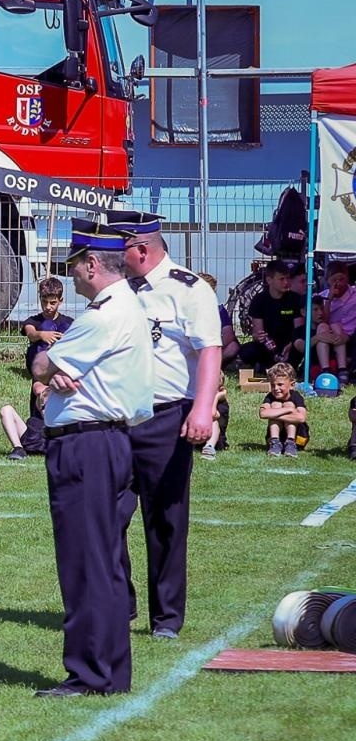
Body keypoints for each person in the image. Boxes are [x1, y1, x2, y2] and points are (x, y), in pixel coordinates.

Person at [31, 218, 155, 698]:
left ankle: (89, 673)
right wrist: (54, 367)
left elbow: (41, 364)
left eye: (76, 268)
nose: (75, 277)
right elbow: (49, 368)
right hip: (109, 441)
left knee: (86, 564)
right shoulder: (128, 306)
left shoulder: (101, 314)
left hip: (85, 445)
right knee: (104, 563)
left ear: (90, 265)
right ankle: (109, 672)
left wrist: (50, 364)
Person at [105, 209, 223, 640]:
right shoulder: (116, 290)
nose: (112, 256)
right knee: (108, 515)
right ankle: (121, 605)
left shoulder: (187, 290)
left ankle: (166, 619)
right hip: (117, 416)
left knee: (167, 519)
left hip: (166, 416)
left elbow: (209, 350)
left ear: (141, 249)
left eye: (119, 248)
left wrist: (203, 408)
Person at [1, 277, 69, 460]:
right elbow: (30, 332)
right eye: (44, 302)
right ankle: (18, 448)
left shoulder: (69, 324)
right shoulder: (35, 322)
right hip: (41, 383)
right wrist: (41, 334)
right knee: (7, 409)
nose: (48, 306)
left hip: (59, 381)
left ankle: (58, 441)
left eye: (53, 302)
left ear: (60, 301)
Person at [239, 260, 306, 372]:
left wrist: (291, 344)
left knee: (299, 347)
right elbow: (257, 332)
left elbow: (299, 330)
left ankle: (280, 366)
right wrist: (259, 337)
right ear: (269, 280)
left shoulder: (295, 299)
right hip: (269, 345)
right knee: (246, 351)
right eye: (281, 279)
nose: (286, 282)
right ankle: (267, 365)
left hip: (290, 344)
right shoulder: (259, 300)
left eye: (288, 278)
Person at [313, 262, 356, 382]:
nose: (338, 283)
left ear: (347, 278)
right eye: (334, 280)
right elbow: (324, 319)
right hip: (332, 336)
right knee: (326, 326)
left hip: (351, 335)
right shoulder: (322, 297)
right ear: (327, 280)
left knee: (336, 327)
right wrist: (329, 299)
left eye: (341, 279)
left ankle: (343, 369)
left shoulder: (354, 294)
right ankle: (325, 370)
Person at [259, 362, 308, 458]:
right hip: (275, 438)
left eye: (280, 384)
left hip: (299, 439)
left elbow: (302, 418)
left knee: (287, 404)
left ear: (292, 385)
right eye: (273, 385)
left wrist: (275, 414)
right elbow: (263, 414)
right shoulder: (270, 397)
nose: (276, 388)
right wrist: (289, 410)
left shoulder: (296, 397)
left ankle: (290, 442)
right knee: (276, 405)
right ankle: (275, 442)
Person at [198, 272, 240, 370]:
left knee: (233, 347)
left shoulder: (219, 311)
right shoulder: (186, 310)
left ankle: (211, 366)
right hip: (195, 349)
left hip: (213, 348)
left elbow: (228, 336)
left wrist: (213, 348)